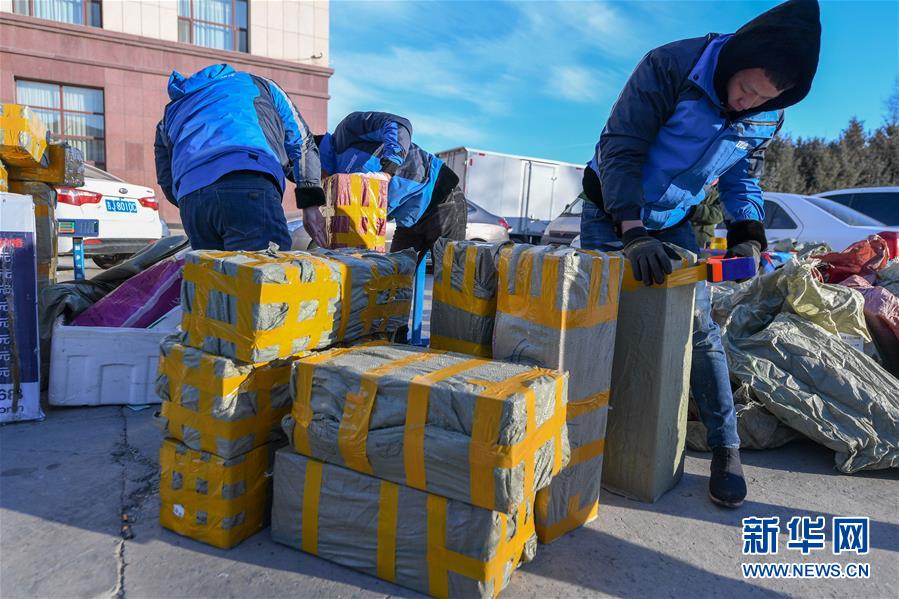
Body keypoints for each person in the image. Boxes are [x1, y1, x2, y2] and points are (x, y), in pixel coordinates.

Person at [579, 0, 820, 508]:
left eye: (764, 98)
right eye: (746, 88)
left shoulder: (765, 114)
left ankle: (725, 448)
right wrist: (632, 231)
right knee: (598, 319)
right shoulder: (671, 65)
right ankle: (586, 438)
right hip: (612, 209)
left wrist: (747, 231)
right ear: (736, 62)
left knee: (701, 330)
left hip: (674, 221)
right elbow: (621, 146)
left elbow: (740, 176)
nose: (748, 103)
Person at [154, 63, 323, 251]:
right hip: (247, 179)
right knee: (267, 268)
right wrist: (310, 203)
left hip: (192, 200)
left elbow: (166, 177)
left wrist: (196, 198)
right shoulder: (259, 84)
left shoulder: (172, 111)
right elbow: (302, 143)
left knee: (211, 270)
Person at [309, 111, 467, 263]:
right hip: (408, 220)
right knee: (395, 275)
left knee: (451, 274)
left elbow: (399, 125)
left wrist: (388, 170)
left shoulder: (348, 131)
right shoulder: (336, 181)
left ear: (314, 161)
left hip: (440, 196)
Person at [691, 184, 724, 249]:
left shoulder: (722, 192)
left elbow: (718, 215)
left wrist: (693, 209)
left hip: (701, 237)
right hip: (677, 232)